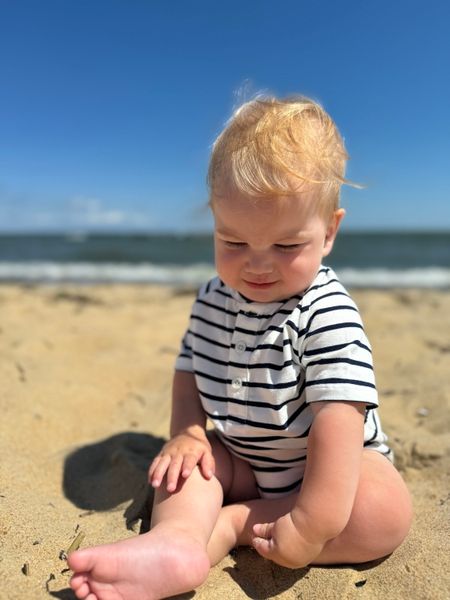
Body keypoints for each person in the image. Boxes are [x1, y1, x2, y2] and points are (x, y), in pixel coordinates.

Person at [68, 95, 412, 600]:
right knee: (187, 468)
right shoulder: (212, 297)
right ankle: (179, 541)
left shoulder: (325, 311)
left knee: (384, 513)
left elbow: (339, 420)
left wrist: (312, 523)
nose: (257, 265)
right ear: (214, 221)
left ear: (330, 232)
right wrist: (187, 433)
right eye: (233, 242)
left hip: (332, 468)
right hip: (245, 461)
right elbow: (189, 368)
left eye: (286, 246)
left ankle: (230, 527)